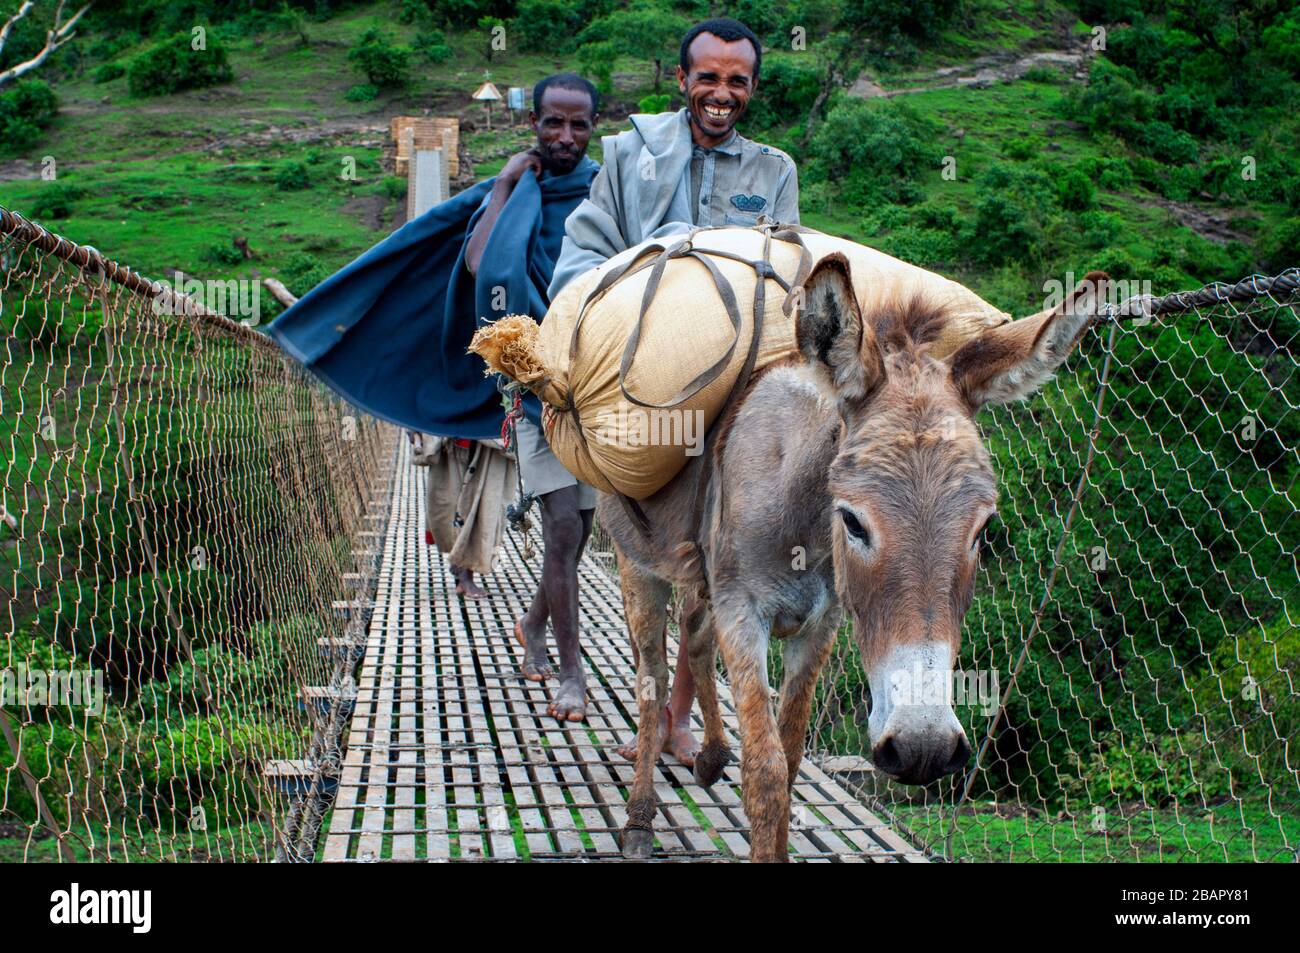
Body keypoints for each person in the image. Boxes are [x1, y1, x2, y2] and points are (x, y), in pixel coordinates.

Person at [518, 17, 800, 762]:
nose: (721, 93)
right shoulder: (628, 155)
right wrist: (614, 316)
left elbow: (789, 273)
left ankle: (679, 715)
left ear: (752, 89)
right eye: (707, 77)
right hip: (643, 384)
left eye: (736, 80)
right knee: (639, 552)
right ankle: (646, 706)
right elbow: (584, 248)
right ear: (681, 81)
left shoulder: (774, 171)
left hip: (729, 397)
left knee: (712, 566)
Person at [267, 73, 601, 616]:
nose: (565, 135)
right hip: (512, 373)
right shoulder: (514, 188)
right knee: (545, 516)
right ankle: (502, 602)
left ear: (593, 128)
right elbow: (475, 263)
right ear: (532, 123)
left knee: (569, 522)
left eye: (578, 124)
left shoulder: (604, 193)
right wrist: (502, 189)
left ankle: (528, 617)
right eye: (553, 122)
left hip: (585, 379)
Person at [409, 430, 514, 599]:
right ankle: (463, 573)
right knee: (451, 502)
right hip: (451, 434)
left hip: (489, 434)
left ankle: (464, 574)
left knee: (484, 504)